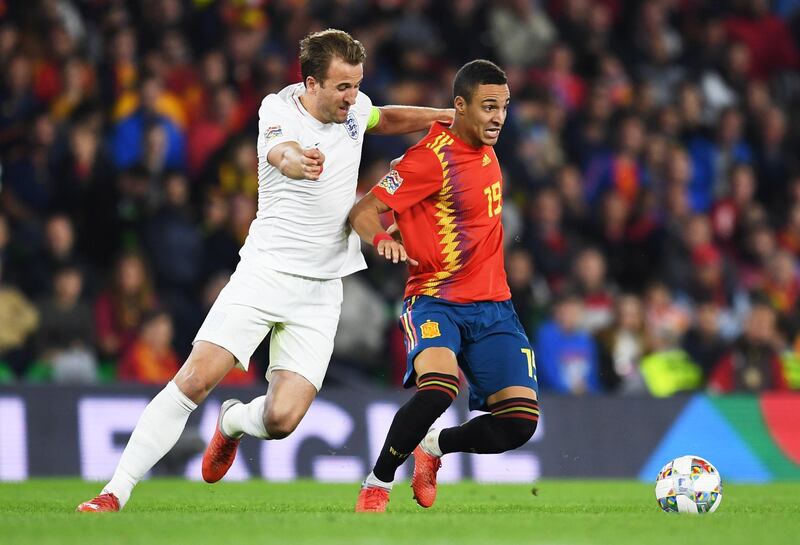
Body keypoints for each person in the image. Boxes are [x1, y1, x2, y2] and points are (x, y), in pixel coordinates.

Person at [77, 28, 453, 512]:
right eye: (342, 87)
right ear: (311, 83)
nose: (353, 96)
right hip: (265, 273)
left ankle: (232, 422)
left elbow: (383, 117)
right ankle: (114, 491)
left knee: (281, 420)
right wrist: (301, 162)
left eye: (357, 84)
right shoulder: (277, 110)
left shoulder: (355, 109)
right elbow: (282, 155)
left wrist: (439, 117)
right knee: (193, 380)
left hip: (322, 290)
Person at [348, 60, 539, 513]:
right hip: (435, 301)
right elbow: (363, 212)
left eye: (504, 107)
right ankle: (377, 481)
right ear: (459, 106)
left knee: (519, 423)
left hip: (494, 307)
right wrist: (381, 238)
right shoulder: (427, 160)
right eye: (488, 107)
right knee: (437, 389)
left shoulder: (486, 147)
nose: (498, 118)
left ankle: (433, 448)